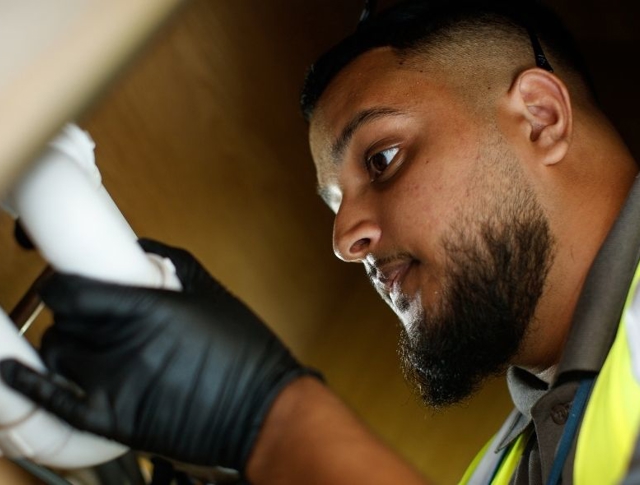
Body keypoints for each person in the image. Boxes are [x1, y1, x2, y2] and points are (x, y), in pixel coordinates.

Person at [1, 0, 640, 483]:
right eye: (334, 205)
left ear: (541, 118)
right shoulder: (502, 469)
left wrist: (272, 420)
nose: (344, 239)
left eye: (383, 158)